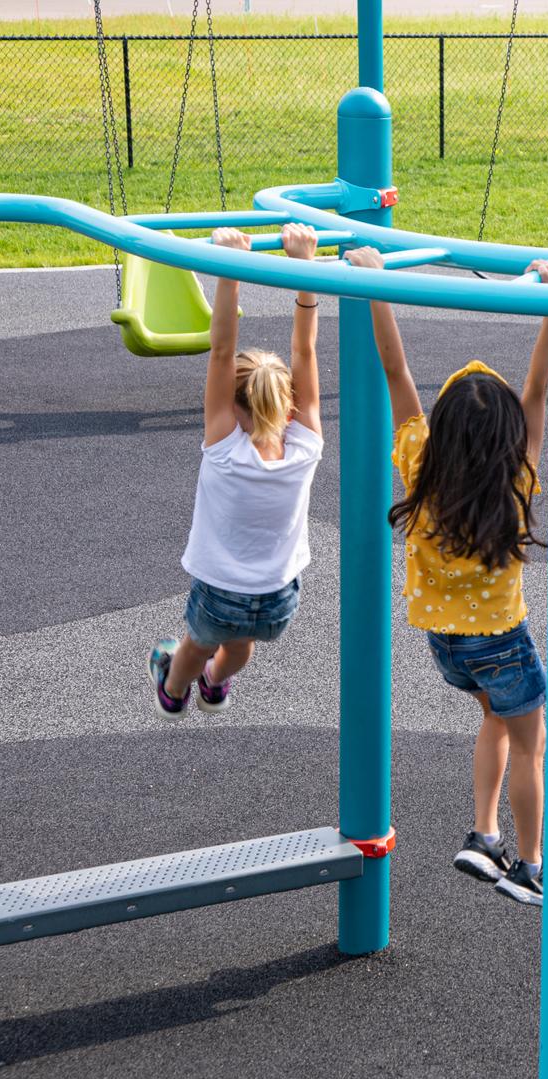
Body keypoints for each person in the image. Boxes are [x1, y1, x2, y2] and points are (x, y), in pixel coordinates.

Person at [355, 246, 548, 909]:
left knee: (497, 724)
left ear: (440, 430)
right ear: (507, 437)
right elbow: (538, 390)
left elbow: (395, 369)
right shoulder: (516, 478)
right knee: (535, 745)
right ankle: (531, 865)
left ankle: (483, 833)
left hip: (445, 644)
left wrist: (372, 286)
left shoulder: (419, 463)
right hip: (500, 640)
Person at [149, 224, 326, 729]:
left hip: (220, 591)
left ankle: (176, 688)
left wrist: (229, 267)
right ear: (288, 403)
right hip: (277, 601)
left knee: (194, 643)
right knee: (241, 646)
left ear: (233, 402)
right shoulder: (305, 444)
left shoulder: (225, 445)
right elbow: (306, 352)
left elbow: (222, 349)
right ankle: (216, 682)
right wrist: (303, 265)